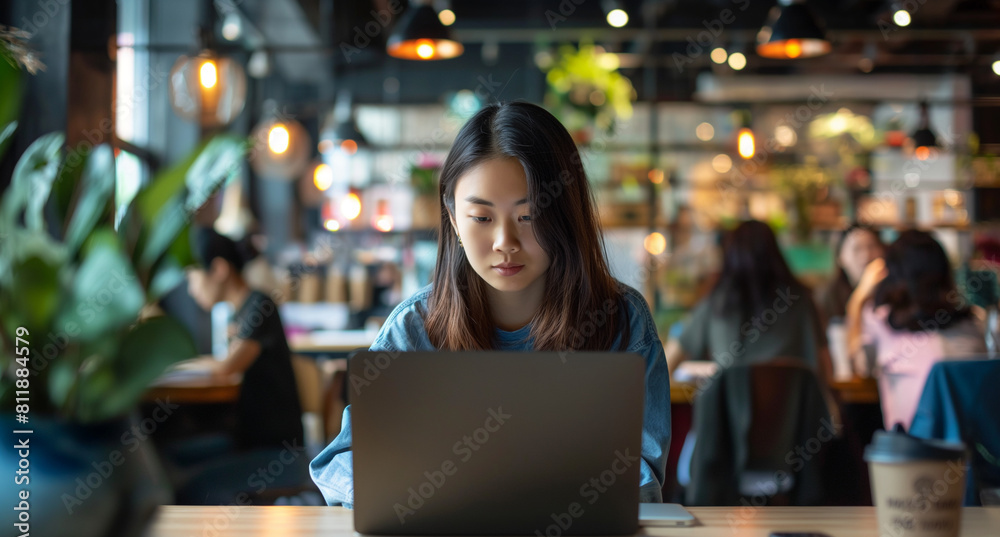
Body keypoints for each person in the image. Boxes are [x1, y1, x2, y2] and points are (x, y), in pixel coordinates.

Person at [309, 101, 671, 507]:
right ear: (452, 217)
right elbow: (342, 460)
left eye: (529, 216)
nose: (504, 243)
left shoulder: (621, 320)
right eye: (482, 218)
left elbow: (641, 472)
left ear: (566, 216)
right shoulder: (414, 328)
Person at [847, 230, 985, 431]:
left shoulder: (881, 321)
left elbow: (858, 366)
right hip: (974, 451)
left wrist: (856, 301)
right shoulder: (973, 323)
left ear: (891, 272)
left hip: (913, 452)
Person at [665, 220, 832, 382]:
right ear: (776, 252)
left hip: (729, 410)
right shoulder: (800, 300)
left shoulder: (716, 303)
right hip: (793, 409)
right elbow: (826, 369)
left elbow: (666, 363)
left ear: (730, 255)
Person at [185, 226, 304, 450]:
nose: (192, 289)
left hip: (273, 448)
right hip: (249, 437)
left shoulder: (259, 305)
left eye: (193, 277)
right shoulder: (240, 311)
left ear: (219, 269)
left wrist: (179, 366)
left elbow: (226, 368)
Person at [816, 224, 884, 328]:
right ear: (840, 257)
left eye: (872, 246)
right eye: (856, 249)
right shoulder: (828, 296)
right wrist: (861, 293)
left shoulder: (892, 291)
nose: (866, 256)